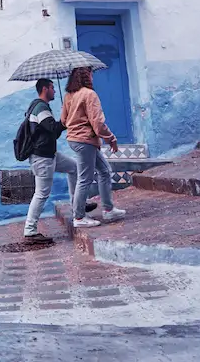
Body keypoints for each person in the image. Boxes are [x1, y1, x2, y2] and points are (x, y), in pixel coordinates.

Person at [23, 78, 96, 243]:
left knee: (75, 168)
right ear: (45, 89)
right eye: (52, 88)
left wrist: (65, 116)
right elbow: (54, 129)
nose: (55, 91)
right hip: (42, 158)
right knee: (41, 193)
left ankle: (77, 204)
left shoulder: (41, 107)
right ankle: (30, 230)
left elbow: (51, 132)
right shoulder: (40, 107)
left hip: (50, 154)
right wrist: (67, 115)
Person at [62, 66, 126, 229]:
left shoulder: (69, 95)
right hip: (85, 141)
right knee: (85, 178)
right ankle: (79, 217)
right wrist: (111, 138)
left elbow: (63, 120)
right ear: (86, 76)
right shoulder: (89, 94)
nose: (92, 77)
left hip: (76, 140)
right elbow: (98, 124)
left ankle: (108, 209)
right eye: (91, 74)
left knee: (104, 171)